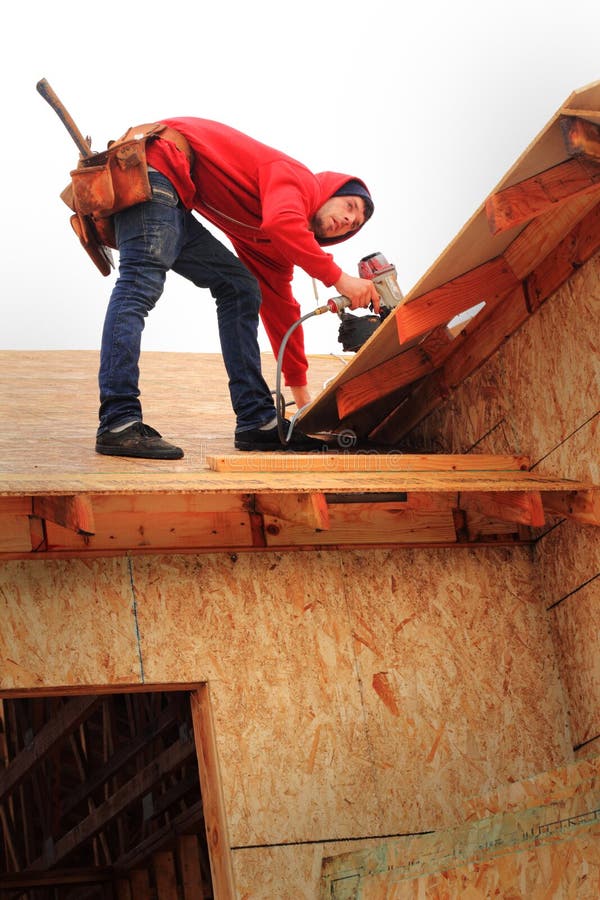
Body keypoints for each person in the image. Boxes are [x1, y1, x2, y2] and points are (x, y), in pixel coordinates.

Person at [94, 117, 379, 459]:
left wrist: (303, 402)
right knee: (140, 281)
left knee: (240, 287)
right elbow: (283, 221)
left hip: (174, 199)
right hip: (155, 170)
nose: (349, 219)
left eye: (355, 224)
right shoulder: (297, 180)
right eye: (350, 206)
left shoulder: (270, 244)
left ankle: (257, 422)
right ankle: (118, 421)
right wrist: (340, 278)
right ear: (329, 191)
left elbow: (281, 311)